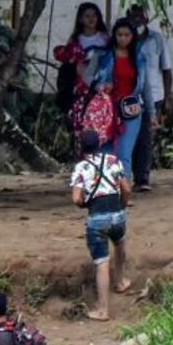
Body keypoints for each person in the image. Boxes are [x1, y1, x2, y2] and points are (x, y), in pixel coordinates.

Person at [70, 129, 131, 322]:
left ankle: (103, 310)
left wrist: (83, 204)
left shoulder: (81, 168)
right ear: (99, 143)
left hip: (97, 217)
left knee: (101, 263)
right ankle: (121, 281)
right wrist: (122, 205)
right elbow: (126, 188)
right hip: (117, 215)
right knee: (119, 242)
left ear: (81, 147)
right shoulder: (113, 160)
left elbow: (76, 198)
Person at [127, 5, 173, 192]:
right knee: (129, 136)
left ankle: (142, 178)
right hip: (129, 95)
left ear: (146, 19)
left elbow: (166, 70)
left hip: (153, 95)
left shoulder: (157, 39)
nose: (137, 20)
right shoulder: (125, 40)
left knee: (146, 138)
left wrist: (168, 99)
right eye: (133, 17)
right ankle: (124, 175)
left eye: (140, 16)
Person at [96, 18, 149, 178]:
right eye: (119, 35)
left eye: (127, 35)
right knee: (106, 149)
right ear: (114, 35)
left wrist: (152, 112)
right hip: (108, 109)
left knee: (124, 151)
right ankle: (105, 190)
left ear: (133, 36)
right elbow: (91, 77)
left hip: (131, 109)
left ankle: (122, 191)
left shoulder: (139, 56)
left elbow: (145, 87)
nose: (123, 38)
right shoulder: (105, 55)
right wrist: (101, 86)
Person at [54, 2, 111, 135]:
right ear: (80, 19)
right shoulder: (76, 40)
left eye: (94, 15)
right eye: (87, 16)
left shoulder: (105, 38)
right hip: (81, 88)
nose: (91, 19)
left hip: (101, 85)